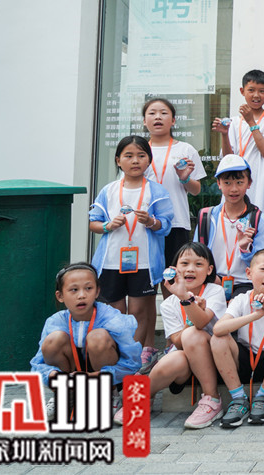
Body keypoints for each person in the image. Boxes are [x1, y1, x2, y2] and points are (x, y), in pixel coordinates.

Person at [115, 242, 228, 429]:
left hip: (217, 356)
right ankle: (143, 398)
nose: (190, 269)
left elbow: (202, 323)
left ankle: (212, 399)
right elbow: (176, 341)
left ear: (209, 270)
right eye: (185, 264)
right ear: (174, 270)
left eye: (198, 264)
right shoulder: (168, 303)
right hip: (187, 358)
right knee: (172, 358)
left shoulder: (214, 291)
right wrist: (187, 306)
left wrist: (186, 300)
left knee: (193, 334)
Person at [89, 135, 173, 366]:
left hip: (144, 262)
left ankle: (134, 359)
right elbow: (93, 222)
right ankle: (118, 356)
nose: (135, 161)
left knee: (138, 311)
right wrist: (108, 226)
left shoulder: (157, 191)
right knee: (116, 312)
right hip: (111, 261)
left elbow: (166, 225)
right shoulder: (109, 190)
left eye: (141, 155)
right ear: (118, 160)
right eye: (128, 156)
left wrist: (151, 222)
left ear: (149, 160)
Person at [31, 263, 142, 418]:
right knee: (53, 340)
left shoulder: (111, 317)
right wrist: (55, 375)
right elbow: (37, 364)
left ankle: (109, 395)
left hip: (104, 376)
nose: (82, 295)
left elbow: (132, 362)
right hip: (71, 376)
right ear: (60, 296)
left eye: (88, 288)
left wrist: (96, 376)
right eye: (74, 290)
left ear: (97, 291)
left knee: (97, 337)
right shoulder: (55, 321)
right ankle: (66, 395)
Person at [211, 248, 264, 428]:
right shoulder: (241, 299)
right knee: (218, 339)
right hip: (245, 357)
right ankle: (238, 399)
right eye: (263, 269)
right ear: (249, 273)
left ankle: (263, 397)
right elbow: (218, 329)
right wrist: (254, 316)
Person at [142, 98, 206, 302]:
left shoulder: (185, 150)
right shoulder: (138, 151)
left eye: (163, 113)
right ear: (144, 120)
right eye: (152, 113)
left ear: (173, 120)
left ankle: (176, 323)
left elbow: (196, 190)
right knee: (145, 287)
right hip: (144, 224)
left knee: (173, 281)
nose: (158, 117)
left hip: (175, 223)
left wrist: (184, 178)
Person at [193, 155, 264, 300]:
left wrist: (246, 249)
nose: (233, 189)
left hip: (246, 283)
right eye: (227, 183)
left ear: (249, 183)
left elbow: (262, 263)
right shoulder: (207, 216)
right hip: (212, 280)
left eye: (239, 182)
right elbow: (196, 254)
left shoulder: (260, 220)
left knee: (235, 308)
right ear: (218, 183)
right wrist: (211, 277)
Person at [214, 70, 264, 215]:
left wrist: (251, 121)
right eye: (251, 90)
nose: (256, 95)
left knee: (257, 221)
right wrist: (224, 134)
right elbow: (227, 158)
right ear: (242, 91)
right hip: (235, 185)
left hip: (260, 185)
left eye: (261, 91)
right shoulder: (233, 122)